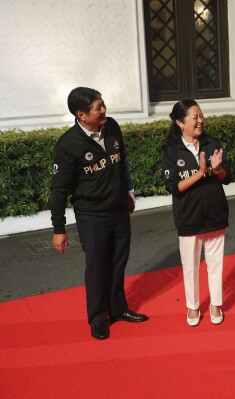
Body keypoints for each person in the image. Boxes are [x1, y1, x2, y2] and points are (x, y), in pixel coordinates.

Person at [50, 87, 148, 340]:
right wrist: (58, 229)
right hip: (92, 216)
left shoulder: (112, 126)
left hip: (118, 210)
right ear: (81, 114)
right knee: (97, 267)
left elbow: (122, 161)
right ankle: (97, 317)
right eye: (98, 108)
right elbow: (59, 190)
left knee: (118, 262)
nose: (104, 110)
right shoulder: (68, 144)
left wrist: (129, 192)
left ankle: (118, 309)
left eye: (103, 105)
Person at [163, 99, 230, 327]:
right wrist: (201, 172)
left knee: (216, 264)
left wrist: (217, 169)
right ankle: (192, 306)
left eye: (201, 116)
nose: (200, 121)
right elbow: (174, 186)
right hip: (188, 218)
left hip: (215, 214)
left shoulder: (212, 143)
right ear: (180, 123)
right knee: (190, 266)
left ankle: (216, 304)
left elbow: (226, 177)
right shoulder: (172, 150)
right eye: (195, 117)